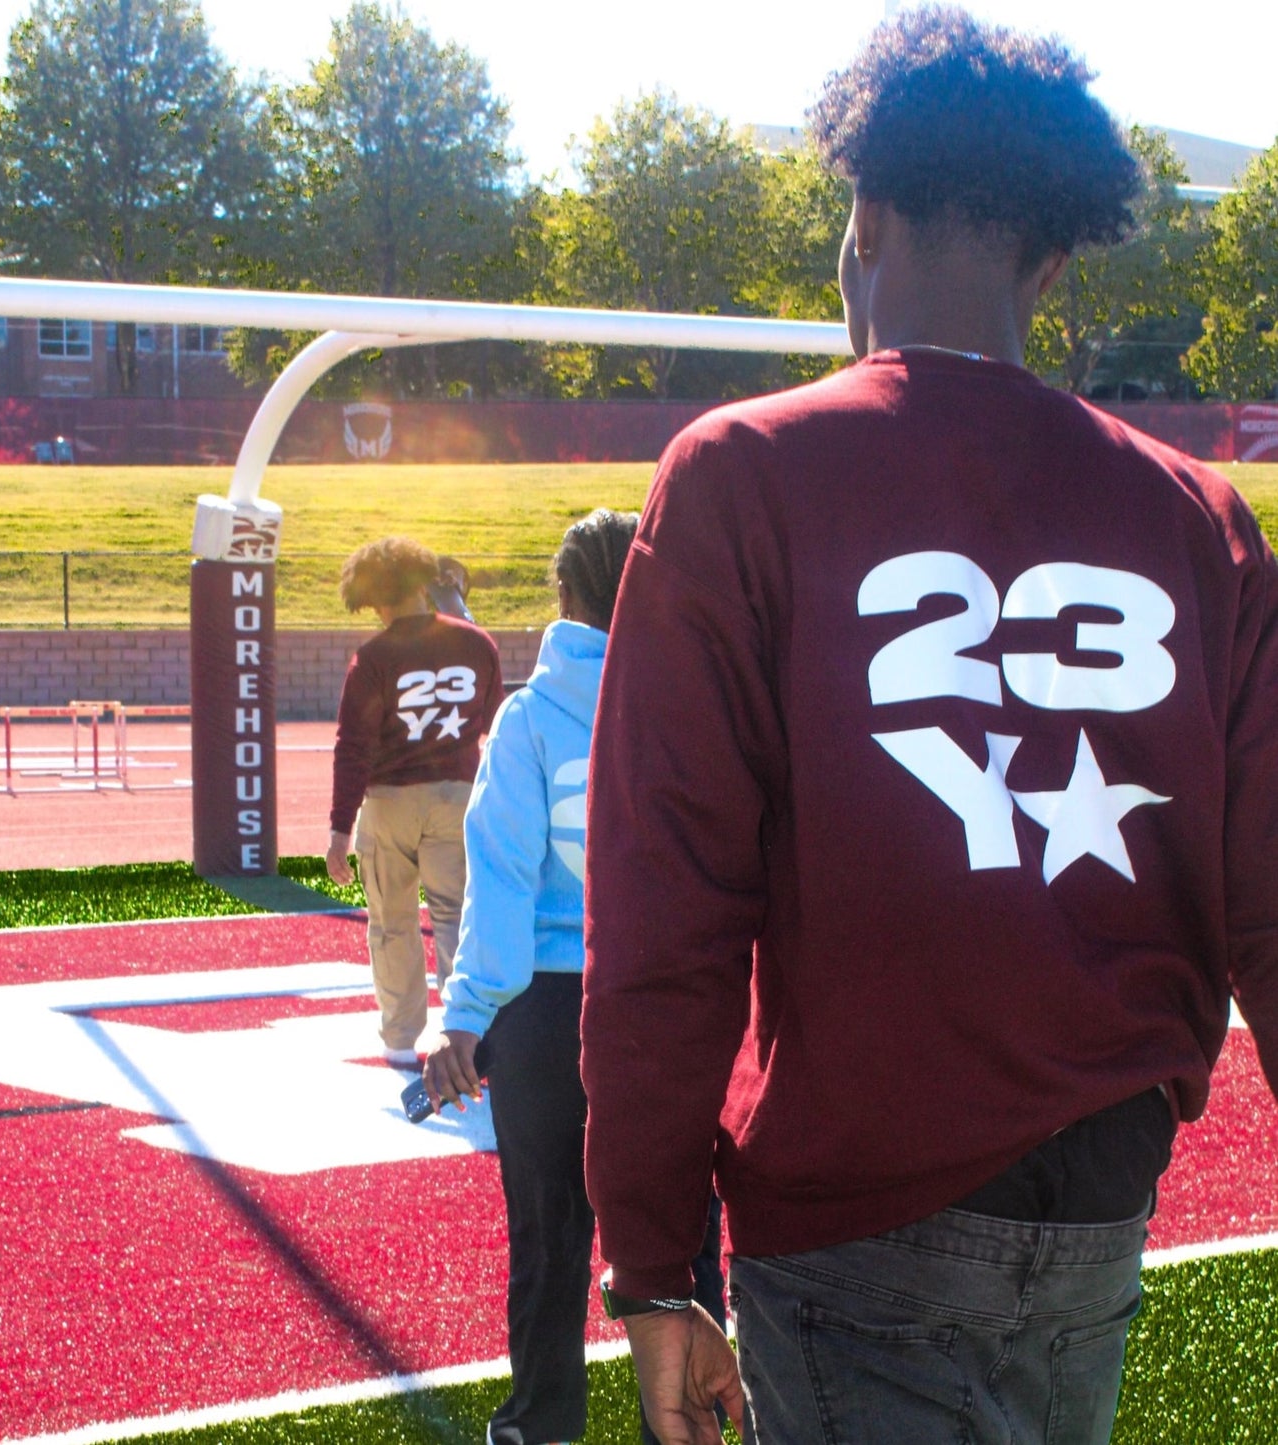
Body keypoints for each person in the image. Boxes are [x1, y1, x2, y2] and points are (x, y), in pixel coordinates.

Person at [580, 9, 1278, 1445]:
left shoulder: (739, 470)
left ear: (864, 215)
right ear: (1054, 262)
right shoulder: (1198, 513)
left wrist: (649, 1256)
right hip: (1099, 1192)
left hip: (858, 1197)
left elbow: (666, 906)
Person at [424, 510, 728, 1445]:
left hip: (550, 1010)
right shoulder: (694, 704)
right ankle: (695, 1414)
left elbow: (503, 880)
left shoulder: (527, 719)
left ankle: (542, 1420)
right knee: (682, 1226)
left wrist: (464, 1013)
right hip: (670, 999)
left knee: (549, 1231)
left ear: (562, 594)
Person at [326, 536, 503, 1065]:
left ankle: (401, 1042)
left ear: (375, 600)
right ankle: (463, 1035)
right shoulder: (478, 645)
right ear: (425, 583)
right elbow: (493, 730)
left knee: (392, 921)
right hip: (458, 796)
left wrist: (339, 828)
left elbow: (352, 747)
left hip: (389, 801)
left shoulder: (372, 659)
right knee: (457, 917)